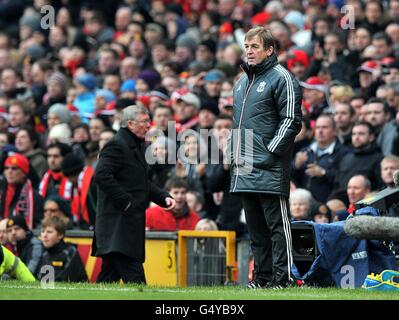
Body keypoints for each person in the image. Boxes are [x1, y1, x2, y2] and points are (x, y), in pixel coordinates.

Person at [230, 27, 302, 289]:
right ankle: (261, 279)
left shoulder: (282, 77)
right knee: (257, 232)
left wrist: (270, 151)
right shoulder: (241, 84)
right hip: (245, 168)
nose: (249, 50)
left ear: (270, 50)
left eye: (255, 46)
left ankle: (283, 279)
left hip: (270, 168)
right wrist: (233, 155)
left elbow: (292, 120)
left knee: (277, 229)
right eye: (247, 46)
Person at [92, 105, 176, 284]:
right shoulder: (116, 145)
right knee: (136, 280)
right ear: (130, 124)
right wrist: (125, 201)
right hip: (119, 223)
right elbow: (101, 175)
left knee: (107, 279)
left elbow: (141, 183)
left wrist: (162, 197)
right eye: (144, 121)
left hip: (124, 223)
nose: (148, 126)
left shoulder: (135, 146)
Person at [37, 216, 87, 282]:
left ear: (60, 235)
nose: (44, 235)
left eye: (49, 232)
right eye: (43, 231)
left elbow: (65, 280)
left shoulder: (70, 252)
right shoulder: (42, 252)